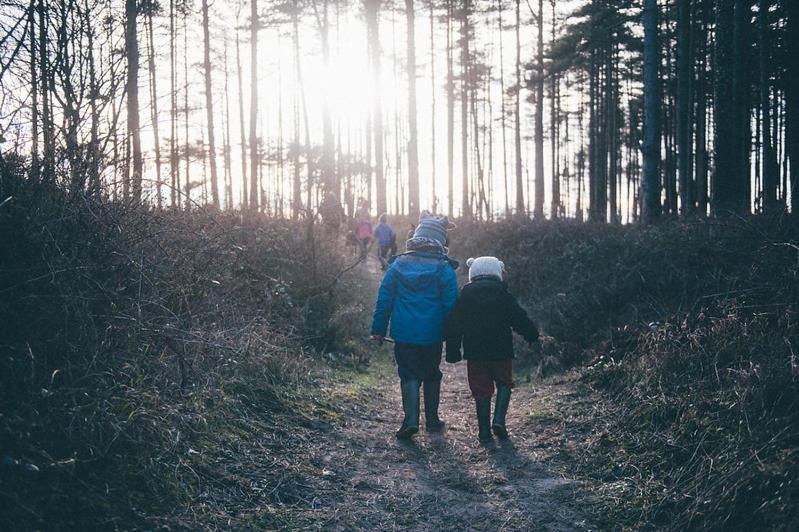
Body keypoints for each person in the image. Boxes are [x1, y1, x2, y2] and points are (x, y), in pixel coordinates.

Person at [371, 213, 459, 439]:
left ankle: (410, 420)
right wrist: (452, 336)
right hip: (433, 335)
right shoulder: (444, 269)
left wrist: (378, 329)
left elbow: (384, 299)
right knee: (431, 374)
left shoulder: (397, 264)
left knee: (408, 374)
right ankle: (432, 421)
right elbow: (451, 307)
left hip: (404, 334)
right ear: (440, 241)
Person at [444, 256, 539, 443]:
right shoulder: (503, 295)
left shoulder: (465, 296)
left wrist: (453, 350)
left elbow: (454, 324)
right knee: (504, 383)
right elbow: (519, 318)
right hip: (501, 351)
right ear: (498, 272)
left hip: (476, 353)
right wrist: (532, 335)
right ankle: (499, 420)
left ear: (473, 273)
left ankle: (484, 432)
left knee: (480, 389)